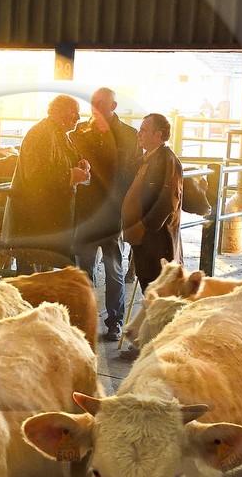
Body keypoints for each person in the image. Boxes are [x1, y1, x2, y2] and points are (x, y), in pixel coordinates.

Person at [69, 87, 140, 342]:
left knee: (113, 270)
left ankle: (114, 322)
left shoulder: (130, 137)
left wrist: (129, 210)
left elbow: (134, 177)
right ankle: (84, 319)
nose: (96, 106)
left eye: (102, 102)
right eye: (94, 102)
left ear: (114, 105)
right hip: (86, 213)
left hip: (113, 214)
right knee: (84, 269)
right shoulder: (78, 135)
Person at [5, 94, 90, 272]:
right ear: (60, 112)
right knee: (31, 278)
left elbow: (63, 158)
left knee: (41, 274)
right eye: (74, 112)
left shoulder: (57, 133)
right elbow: (35, 174)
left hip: (44, 221)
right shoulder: (41, 134)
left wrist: (81, 162)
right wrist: (69, 175)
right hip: (33, 221)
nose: (78, 118)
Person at [123, 111, 184, 293]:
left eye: (144, 130)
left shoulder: (167, 160)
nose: (138, 134)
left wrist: (143, 226)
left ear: (158, 134)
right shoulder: (147, 159)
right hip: (144, 240)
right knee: (148, 288)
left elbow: (167, 202)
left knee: (159, 292)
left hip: (156, 242)